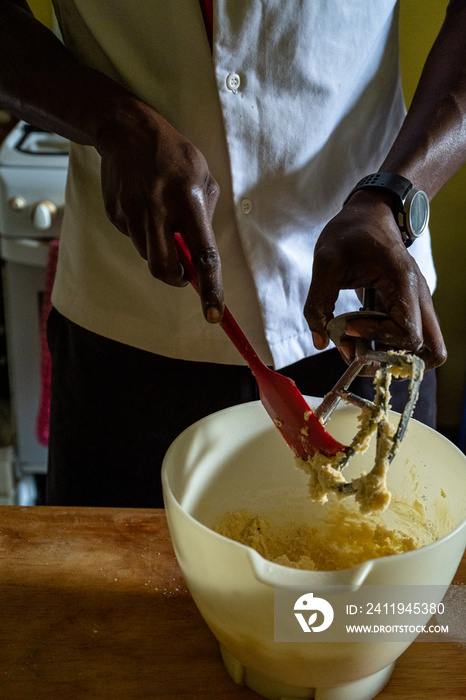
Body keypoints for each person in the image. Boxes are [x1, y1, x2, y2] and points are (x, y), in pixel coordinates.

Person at [0, 0, 463, 508]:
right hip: (127, 329)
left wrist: (395, 193)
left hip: (370, 310)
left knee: (376, 582)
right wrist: (109, 117)